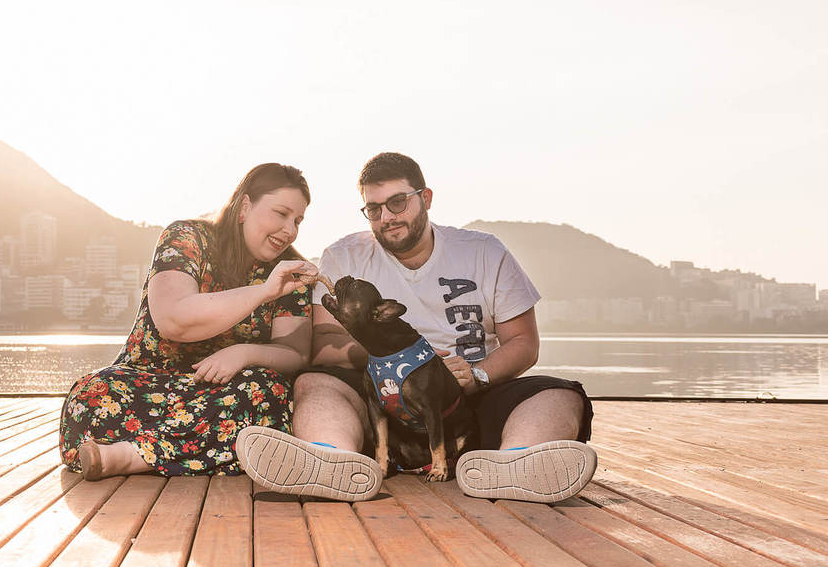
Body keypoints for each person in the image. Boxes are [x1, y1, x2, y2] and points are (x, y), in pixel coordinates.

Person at [237, 152, 595, 503]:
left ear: (425, 199)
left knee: (559, 393)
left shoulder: (484, 251)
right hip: (383, 404)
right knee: (315, 381)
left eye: (397, 203)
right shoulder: (344, 255)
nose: (386, 218)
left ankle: (517, 463)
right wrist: (398, 360)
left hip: (465, 403)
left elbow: (523, 343)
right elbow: (326, 343)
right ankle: (328, 459)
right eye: (373, 209)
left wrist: (476, 375)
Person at [59, 163, 319, 479]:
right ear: (245, 206)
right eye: (281, 214)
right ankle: (203, 450)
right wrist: (264, 292)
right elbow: (174, 320)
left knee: (267, 392)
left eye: (298, 221)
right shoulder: (186, 238)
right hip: (147, 384)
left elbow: (295, 352)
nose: (290, 230)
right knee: (95, 392)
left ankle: (129, 457)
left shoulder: (291, 271)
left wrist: (244, 354)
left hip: (227, 395)